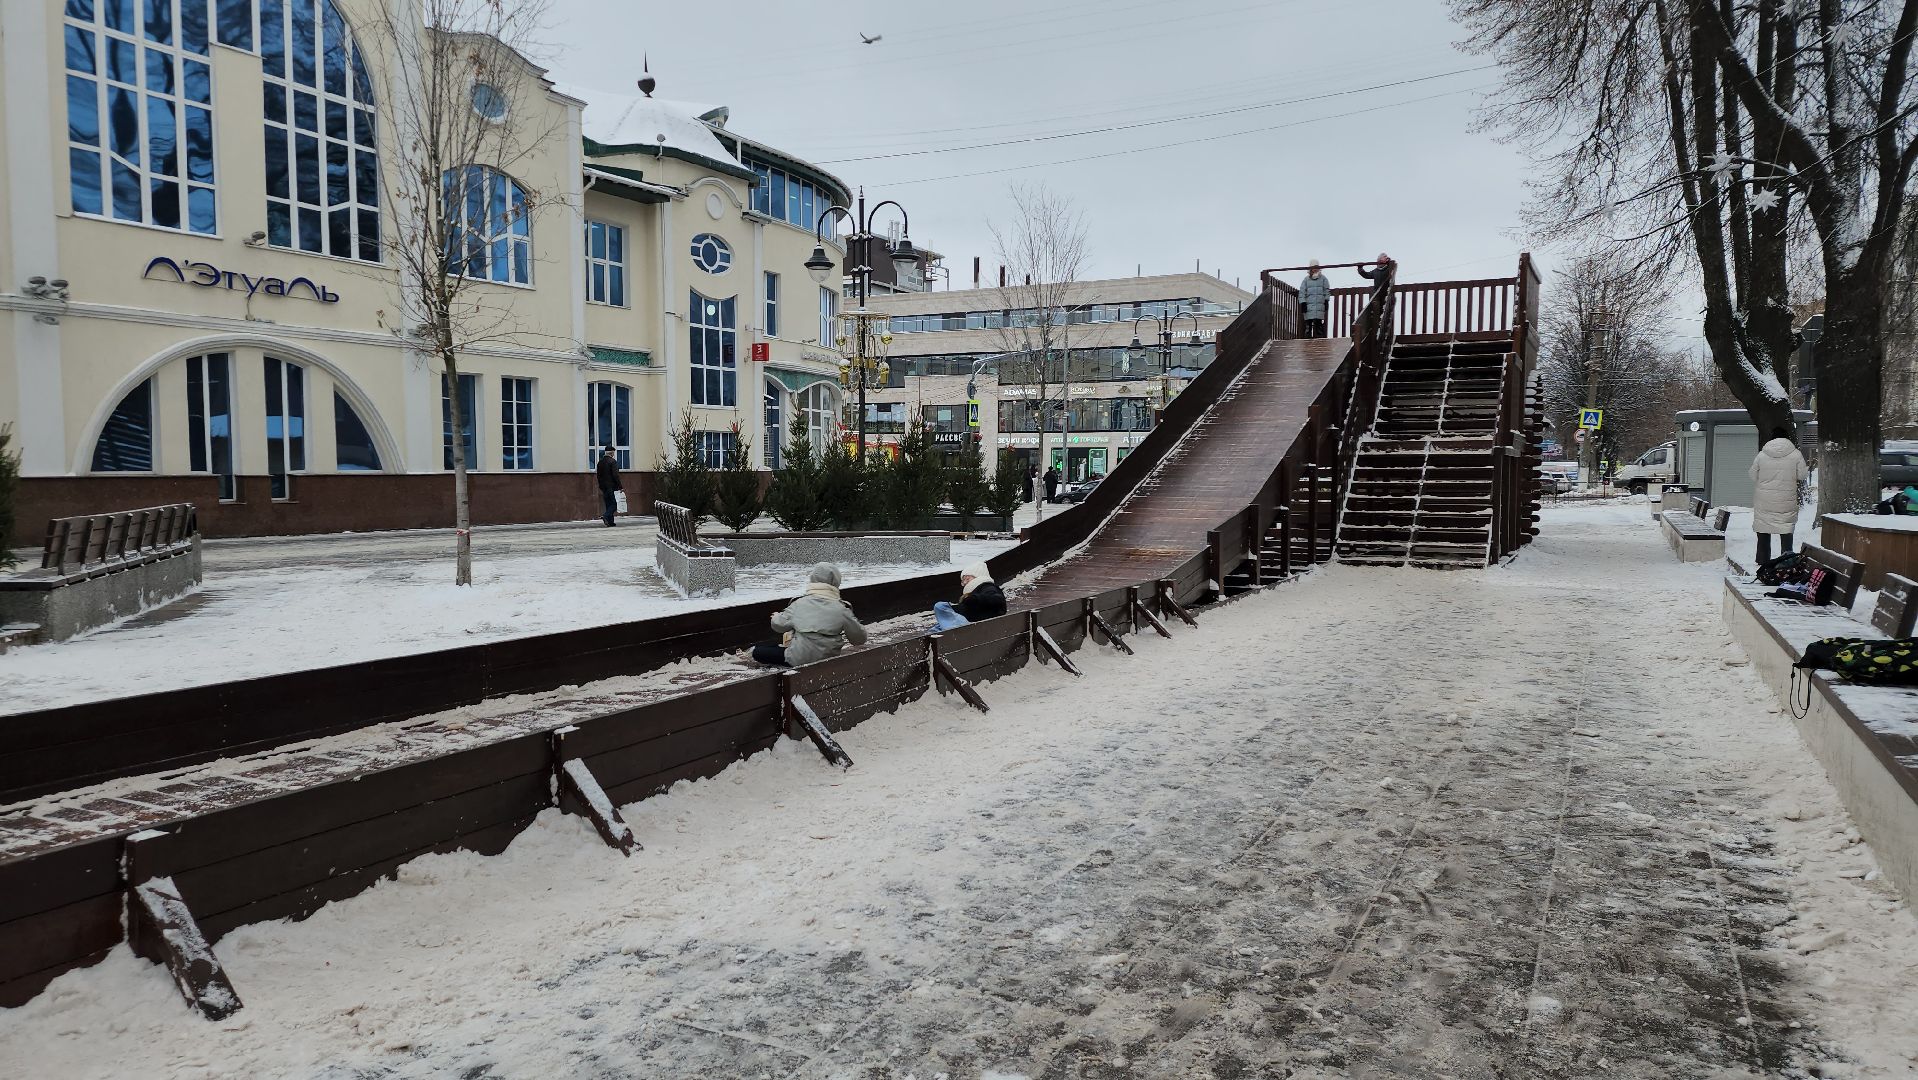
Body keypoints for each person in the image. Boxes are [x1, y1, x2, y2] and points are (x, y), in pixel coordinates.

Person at [751, 563, 868, 667]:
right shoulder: (842, 609)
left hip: (798, 659)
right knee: (777, 648)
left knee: (758, 652)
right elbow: (859, 639)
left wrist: (776, 616)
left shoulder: (799, 604)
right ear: (836, 582)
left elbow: (778, 626)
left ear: (813, 579)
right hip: (828, 658)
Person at [1750, 427, 1809, 564]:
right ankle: (1786, 562)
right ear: (1787, 438)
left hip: (1764, 500)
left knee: (1764, 529)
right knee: (1786, 530)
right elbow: (1802, 475)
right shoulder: (1795, 454)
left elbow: (1753, 475)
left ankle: (1762, 561)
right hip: (1785, 500)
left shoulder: (1762, 455)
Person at [932, 561, 1008, 630]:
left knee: (940, 606)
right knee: (938, 625)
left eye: (967, 579)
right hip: (973, 620)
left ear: (978, 577)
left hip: (980, 621)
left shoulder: (987, 587)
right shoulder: (975, 592)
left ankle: (955, 628)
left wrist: (975, 599)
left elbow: (998, 600)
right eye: (963, 580)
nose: (964, 583)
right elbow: (968, 609)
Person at [1299, 260, 1331, 339]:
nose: (1315, 269)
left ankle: (1320, 342)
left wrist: (1326, 300)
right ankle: (1306, 343)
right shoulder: (1306, 280)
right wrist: (1303, 303)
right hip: (1309, 305)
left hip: (1319, 305)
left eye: (1316, 267)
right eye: (1313, 267)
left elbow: (1326, 290)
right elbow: (1302, 292)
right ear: (1310, 269)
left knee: (1318, 325)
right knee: (1308, 326)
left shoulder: (1323, 279)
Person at [595, 446, 623, 527]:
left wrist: (601, 485)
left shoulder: (600, 462)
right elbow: (615, 475)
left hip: (604, 487)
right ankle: (606, 516)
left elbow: (598, 476)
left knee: (608, 503)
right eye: (613, 452)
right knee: (614, 504)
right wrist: (620, 486)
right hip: (612, 486)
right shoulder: (612, 462)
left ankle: (610, 522)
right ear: (612, 453)